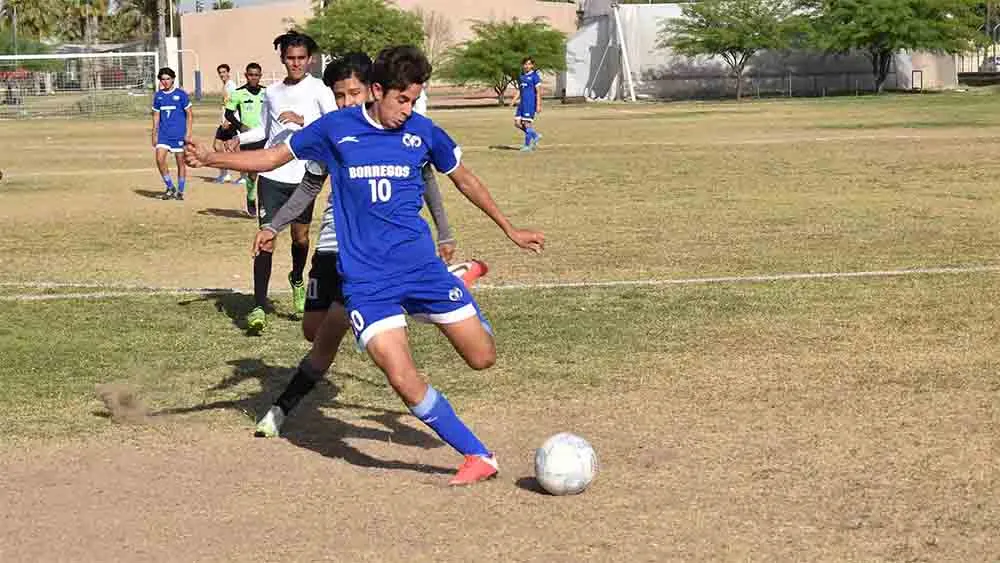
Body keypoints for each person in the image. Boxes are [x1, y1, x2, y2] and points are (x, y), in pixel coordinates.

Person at [185, 45, 545, 486]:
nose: (408, 110)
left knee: (482, 358)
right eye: (402, 100)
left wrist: (509, 228)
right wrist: (211, 158)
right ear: (377, 91)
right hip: (367, 284)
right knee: (400, 374)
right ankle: (477, 455)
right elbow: (273, 158)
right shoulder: (336, 129)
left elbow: (463, 178)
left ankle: (457, 286)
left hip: (421, 270)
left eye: (414, 100)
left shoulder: (423, 132)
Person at [246, 52, 476, 440]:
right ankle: (378, 317)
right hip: (332, 247)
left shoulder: (399, 131)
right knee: (314, 330)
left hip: (372, 257)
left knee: (331, 338)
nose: (347, 102)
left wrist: (445, 233)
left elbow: (431, 182)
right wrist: (276, 224)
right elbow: (308, 188)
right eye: (339, 95)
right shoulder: (334, 133)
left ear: (370, 90)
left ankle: (280, 410)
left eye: (353, 93)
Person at [229, 31, 337, 333]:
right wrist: (238, 138)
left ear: (310, 59)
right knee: (266, 237)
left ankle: (297, 278)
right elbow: (264, 130)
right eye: (290, 58)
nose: (296, 63)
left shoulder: (320, 89)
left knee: (300, 238)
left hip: (304, 176)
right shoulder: (272, 92)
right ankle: (259, 306)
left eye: (301, 58)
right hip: (272, 176)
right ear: (282, 59)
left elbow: (336, 126)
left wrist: (303, 122)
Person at [223, 62, 267, 217]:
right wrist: (240, 126)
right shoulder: (238, 93)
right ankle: (250, 198)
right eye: (250, 75)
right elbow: (228, 114)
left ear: (260, 76)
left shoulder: (266, 93)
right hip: (248, 138)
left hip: (266, 136)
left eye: (256, 75)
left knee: (267, 171)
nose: (253, 77)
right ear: (246, 75)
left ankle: (263, 202)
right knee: (253, 172)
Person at [151, 67, 192, 200]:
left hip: (179, 134)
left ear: (173, 79)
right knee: (159, 159)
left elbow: (189, 114)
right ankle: (170, 187)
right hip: (163, 134)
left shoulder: (181, 94)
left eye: (168, 78)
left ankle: (180, 190)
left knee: (180, 162)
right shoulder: (158, 96)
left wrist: (188, 133)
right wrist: (154, 133)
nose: (166, 81)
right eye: (163, 79)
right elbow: (156, 116)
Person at [510, 56, 542, 152]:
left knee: (527, 124)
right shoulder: (521, 76)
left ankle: (527, 146)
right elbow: (520, 90)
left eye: (529, 64)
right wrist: (514, 100)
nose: (527, 66)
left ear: (532, 65)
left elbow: (538, 92)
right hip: (522, 104)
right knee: (517, 123)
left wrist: (538, 104)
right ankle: (534, 135)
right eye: (525, 64)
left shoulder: (535, 77)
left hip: (530, 104)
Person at [213, 64, 239, 183]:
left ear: (228, 72)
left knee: (232, 149)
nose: (222, 74)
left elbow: (234, 104)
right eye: (220, 72)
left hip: (229, 121)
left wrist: (228, 120)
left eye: (224, 72)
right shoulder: (226, 85)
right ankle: (225, 174)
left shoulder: (231, 86)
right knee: (221, 147)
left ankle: (244, 175)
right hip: (224, 121)